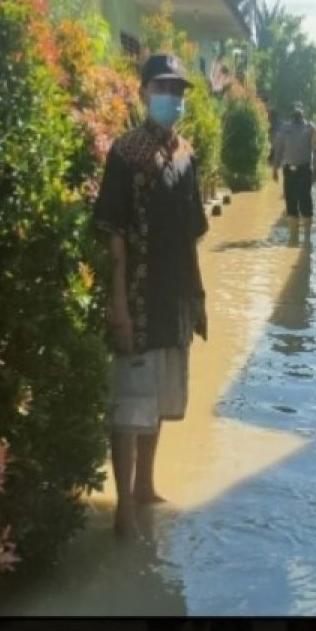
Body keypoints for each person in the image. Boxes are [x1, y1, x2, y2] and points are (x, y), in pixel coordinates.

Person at [92, 53, 210, 540]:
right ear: (143, 93)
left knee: (156, 401)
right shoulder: (125, 154)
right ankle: (124, 510)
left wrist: (197, 299)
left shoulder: (185, 155)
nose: (172, 98)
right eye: (163, 88)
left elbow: (191, 236)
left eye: (179, 90)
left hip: (173, 301)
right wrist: (117, 305)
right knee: (129, 405)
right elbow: (112, 233)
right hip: (136, 301)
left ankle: (146, 486)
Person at [271, 101, 316, 246]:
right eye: (294, 110)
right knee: (291, 203)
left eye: (299, 109)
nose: (297, 112)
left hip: (305, 171)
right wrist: (275, 169)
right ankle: (293, 239)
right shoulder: (284, 129)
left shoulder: (311, 128)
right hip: (289, 172)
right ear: (291, 112)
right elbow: (278, 150)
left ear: (303, 112)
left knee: (306, 203)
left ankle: (307, 239)